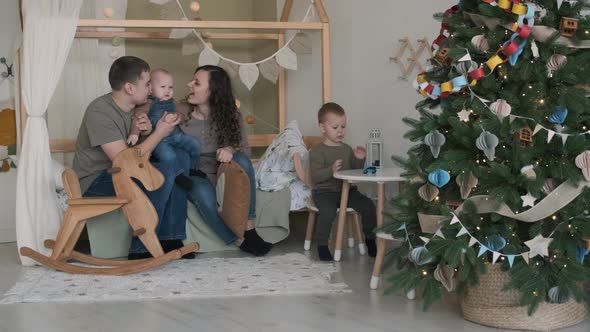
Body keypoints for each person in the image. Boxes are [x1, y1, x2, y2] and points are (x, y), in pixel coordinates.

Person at [72, 56, 192, 260]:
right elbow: (125, 163)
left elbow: (137, 155)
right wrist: (158, 134)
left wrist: (146, 132)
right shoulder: (99, 111)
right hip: (94, 182)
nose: (150, 89)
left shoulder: (134, 112)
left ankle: (168, 238)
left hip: (118, 173)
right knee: (165, 171)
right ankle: (140, 248)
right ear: (129, 88)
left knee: (174, 165)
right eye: (147, 84)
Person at [176, 65, 272, 256]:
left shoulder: (231, 115)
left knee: (242, 160)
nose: (189, 85)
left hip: (223, 173)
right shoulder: (180, 113)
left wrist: (229, 149)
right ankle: (238, 240)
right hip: (195, 173)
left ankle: (249, 229)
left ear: (213, 91)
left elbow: (244, 150)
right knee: (200, 190)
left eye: (196, 82)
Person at [309, 102, 377, 261]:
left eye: (343, 126)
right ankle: (322, 245)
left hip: (348, 191)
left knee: (368, 206)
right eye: (335, 127)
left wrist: (360, 160)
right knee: (327, 212)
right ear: (322, 127)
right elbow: (316, 177)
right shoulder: (318, 152)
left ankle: (370, 239)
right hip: (325, 192)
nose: (340, 131)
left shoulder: (346, 149)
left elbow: (355, 171)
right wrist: (331, 170)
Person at [127, 69, 201, 190]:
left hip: (176, 135)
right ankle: (178, 175)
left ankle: (194, 169)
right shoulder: (147, 104)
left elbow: (182, 115)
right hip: (160, 141)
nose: (168, 90)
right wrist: (134, 134)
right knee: (168, 156)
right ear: (151, 89)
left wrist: (178, 117)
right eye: (163, 87)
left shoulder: (172, 102)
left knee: (194, 144)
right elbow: (138, 118)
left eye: (170, 87)